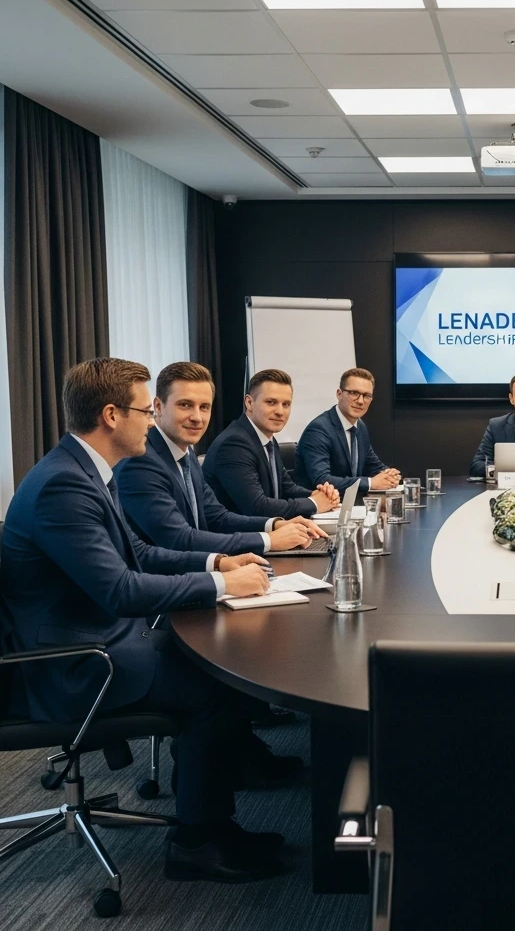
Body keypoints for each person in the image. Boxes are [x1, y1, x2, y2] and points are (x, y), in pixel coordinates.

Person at [0, 358, 288, 882]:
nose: (152, 422)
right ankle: (197, 842)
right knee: (213, 689)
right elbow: (120, 588)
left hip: (101, 637)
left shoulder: (85, 469)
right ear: (111, 415)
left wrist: (217, 563)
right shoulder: (64, 488)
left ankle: (213, 822)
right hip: (74, 663)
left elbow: (136, 552)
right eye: (143, 411)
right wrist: (223, 586)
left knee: (226, 661)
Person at [117, 361, 327, 554]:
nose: (197, 417)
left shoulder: (185, 451)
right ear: (159, 406)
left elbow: (216, 516)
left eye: (204, 407)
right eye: (185, 405)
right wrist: (269, 540)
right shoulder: (141, 461)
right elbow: (179, 539)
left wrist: (275, 524)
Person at [203, 369, 340, 518]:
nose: (280, 412)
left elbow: (286, 487)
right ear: (249, 403)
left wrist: (318, 495)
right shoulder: (234, 444)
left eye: (286, 404)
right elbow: (257, 507)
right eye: (271, 402)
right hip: (239, 536)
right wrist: (314, 503)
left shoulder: (267, 439)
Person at [295, 367, 402, 493]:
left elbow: (373, 465)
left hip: (348, 505)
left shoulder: (360, 426)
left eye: (367, 396)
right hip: (316, 508)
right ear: (339, 394)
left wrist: (389, 475)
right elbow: (321, 479)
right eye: (354, 393)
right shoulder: (319, 429)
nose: (360, 401)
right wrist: (370, 483)